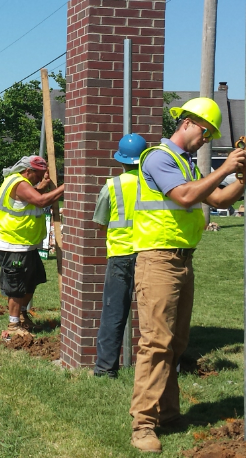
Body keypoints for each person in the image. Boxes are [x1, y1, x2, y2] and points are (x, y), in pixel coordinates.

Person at [129, 97, 246, 453]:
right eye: (206, 133)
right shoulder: (158, 158)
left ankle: (169, 414)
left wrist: (243, 177)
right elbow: (186, 197)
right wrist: (223, 168)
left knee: (175, 344)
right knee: (156, 343)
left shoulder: (184, 164)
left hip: (182, 262)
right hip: (158, 261)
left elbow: (217, 199)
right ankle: (143, 424)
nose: (206, 140)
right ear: (187, 123)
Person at [92, 133, 147, 379]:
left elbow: (100, 223)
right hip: (149, 252)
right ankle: (157, 370)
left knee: (114, 313)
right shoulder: (154, 183)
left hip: (120, 255)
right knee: (154, 315)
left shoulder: (112, 186)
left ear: (120, 160)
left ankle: (105, 370)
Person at [0, 155, 65, 337]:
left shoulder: (21, 182)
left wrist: (42, 186)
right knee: (16, 285)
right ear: (28, 171)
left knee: (33, 279)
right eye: (39, 175)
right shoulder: (19, 183)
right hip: (13, 244)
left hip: (26, 244)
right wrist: (68, 186)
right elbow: (40, 201)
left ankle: (22, 316)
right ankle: (13, 325)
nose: (41, 179)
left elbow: (33, 195)